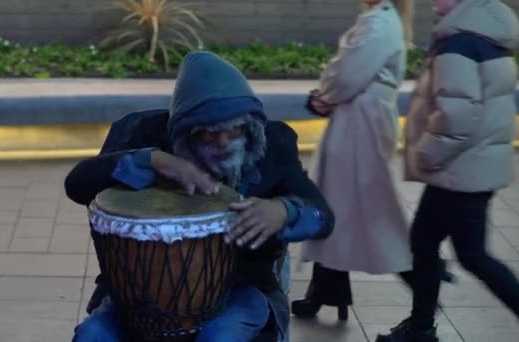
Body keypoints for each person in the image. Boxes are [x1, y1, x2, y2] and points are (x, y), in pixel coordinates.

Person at [64, 50, 335, 341]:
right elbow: (77, 185)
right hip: (139, 293)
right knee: (93, 336)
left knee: (218, 336)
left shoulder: (274, 148)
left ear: (250, 126)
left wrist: (284, 211)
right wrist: (153, 161)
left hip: (243, 286)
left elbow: (324, 217)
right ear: (185, 131)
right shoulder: (146, 135)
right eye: (208, 133)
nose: (222, 141)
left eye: (234, 130)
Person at [376, 0, 519, 341]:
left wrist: (426, 154)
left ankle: (422, 327)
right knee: (423, 244)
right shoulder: (485, 35)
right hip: (465, 166)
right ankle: (421, 327)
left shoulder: (459, 43)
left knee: (471, 255)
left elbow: (457, 114)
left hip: (459, 168)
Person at [293, 0, 419, 321]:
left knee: (364, 211)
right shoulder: (385, 19)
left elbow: (346, 73)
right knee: (342, 207)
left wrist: (325, 95)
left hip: (359, 126)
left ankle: (422, 280)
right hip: (362, 122)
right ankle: (326, 291)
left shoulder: (379, 22)